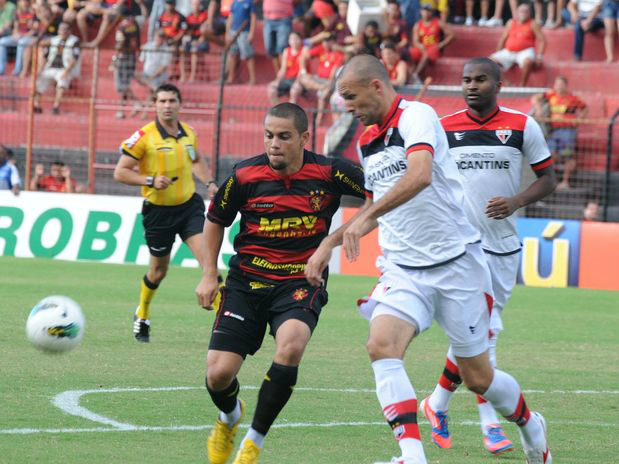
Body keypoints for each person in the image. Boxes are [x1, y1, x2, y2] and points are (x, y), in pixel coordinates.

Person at [305, 54, 552, 464]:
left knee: (479, 378)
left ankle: (530, 424)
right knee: (381, 345)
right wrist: (329, 243)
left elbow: (419, 175)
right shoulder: (367, 141)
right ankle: (412, 455)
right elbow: (372, 207)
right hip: (404, 270)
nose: (345, 105)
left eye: (350, 95)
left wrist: (363, 217)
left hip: (458, 265)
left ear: (377, 87)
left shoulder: (415, 115)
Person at [195, 102, 367, 464]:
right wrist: (209, 274)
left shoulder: (332, 172)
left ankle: (252, 443)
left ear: (305, 137)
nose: (274, 143)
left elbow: (379, 197)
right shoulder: (244, 175)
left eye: (284, 137)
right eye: (269, 135)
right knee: (218, 374)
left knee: (290, 346)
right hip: (246, 281)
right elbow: (215, 220)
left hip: (300, 280)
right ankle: (229, 417)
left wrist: (332, 240)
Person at [420, 57, 556, 457]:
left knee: (473, 334)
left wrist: (516, 200)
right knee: (485, 332)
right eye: (465, 80)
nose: (471, 86)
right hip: (459, 250)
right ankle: (491, 425)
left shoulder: (521, 125)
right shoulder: (444, 129)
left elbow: (548, 177)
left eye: (480, 79)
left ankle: (436, 403)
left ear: (499, 82)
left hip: (502, 249)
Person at [114, 83, 219, 343]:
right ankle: (143, 313)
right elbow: (121, 172)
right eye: (162, 101)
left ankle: (224, 324)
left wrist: (210, 183)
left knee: (209, 264)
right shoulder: (144, 137)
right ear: (155, 105)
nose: (167, 106)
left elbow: (196, 160)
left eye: (172, 101)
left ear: (180, 104)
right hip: (158, 213)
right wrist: (150, 180)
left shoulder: (189, 134)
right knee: (158, 272)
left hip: (189, 208)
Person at [531, 75, 587, 190]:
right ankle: (551, 181)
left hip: (568, 131)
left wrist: (579, 119)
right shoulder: (551, 95)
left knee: (568, 156)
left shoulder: (572, 98)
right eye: (556, 84)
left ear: (566, 86)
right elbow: (535, 98)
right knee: (550, 155)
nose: (558, 87)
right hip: (553, 130)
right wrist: (538, 109)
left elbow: (585, 108)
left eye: (561, 84)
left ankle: (565, 182)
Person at [291, 35, 345, 126]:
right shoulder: (321, 49)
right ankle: (322, 87)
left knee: (323, 95)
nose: (326, 43)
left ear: (333, 42)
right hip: (318, 80)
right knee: (302, 78)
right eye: (324, 41)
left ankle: (318, 121)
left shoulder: (339, 54)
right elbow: (303, 56)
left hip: (330, 81)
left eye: (328, 41)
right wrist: (303, 70)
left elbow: (334, 72)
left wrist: (329, 83)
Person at [490, 3, 546, 86]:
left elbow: (543, 40)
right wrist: (498, 52)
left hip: (526, 51)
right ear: (517, 12)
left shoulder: (533, 24)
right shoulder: (511, 22)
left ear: (529, 13)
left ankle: (523, 85)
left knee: (527, 62)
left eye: (525, 11)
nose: (523, 13)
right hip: (509, 51)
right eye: (521, 11)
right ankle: (506, 83)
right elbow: (503, 38)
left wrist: (539, 56)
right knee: (490, 61)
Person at [33, 21, 81, 115]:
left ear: (69, 31)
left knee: (62, 80)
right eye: (61, 29)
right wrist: (40, 69)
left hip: (65, 69)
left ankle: (56, 106)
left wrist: (66, 72)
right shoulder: (53, 40)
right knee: (39, 79)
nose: (62, 31)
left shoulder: (74, 41)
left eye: (65, 29)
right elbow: (45, 56)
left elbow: (75, 58)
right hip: (50, 67)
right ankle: (36, 105)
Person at [134, 29, 173, 118]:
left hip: (159, 76)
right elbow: (141, 60)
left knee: (154, 89)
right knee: (135, 74)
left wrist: (153, 76)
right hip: (147, 75)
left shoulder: (167, 50)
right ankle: (153, 89)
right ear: (155, 37)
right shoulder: (148, 46)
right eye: (159, 36)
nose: (160, 39)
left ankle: (144, 111)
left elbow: (163, 68)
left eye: (162, 37)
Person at [410, 4, 453, 82]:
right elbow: (415, 41)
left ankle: (415, 75)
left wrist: (441, 45)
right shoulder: (418, 25)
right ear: (421, 12)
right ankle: (411, 75)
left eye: (428, 11)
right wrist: (420, 46)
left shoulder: (438, 22)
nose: (426, 13)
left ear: (432, 12)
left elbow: (452, 35)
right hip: (422, 48)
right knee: (413, 52)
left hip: (433, 48)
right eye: (424, 11)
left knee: (427, 54)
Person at [112, 4, 141, 119]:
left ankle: (137, 103)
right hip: (132, 56)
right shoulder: (135, 23)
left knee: (121, 85)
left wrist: (116, 56)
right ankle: (121, 110)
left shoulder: (122, 26)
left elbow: (120, 43)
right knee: (125, 84)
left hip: (123, 56)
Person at [267, 30, 305, 104]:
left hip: (300, 80)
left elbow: (302, 70)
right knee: (271, 89)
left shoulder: (304, 50)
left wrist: (297, 82)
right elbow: (283, 69)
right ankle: (280, 112)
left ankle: (290, 113)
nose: (294, 41)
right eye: (292, 39)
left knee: (294, 91)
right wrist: (277, 80)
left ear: (300, 40)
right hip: (288, 79)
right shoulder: (286, 51)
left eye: (296, 39)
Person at [0, 0, 36, 76]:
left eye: (25, 1)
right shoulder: (17, 13)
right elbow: (15, 27)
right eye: (22, 1)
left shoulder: (33, 13)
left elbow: (34, 30)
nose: (24, 3)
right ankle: (1, 69)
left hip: (28, 36)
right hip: (19, 36)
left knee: (21, 43)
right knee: (2, 41)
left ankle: (17, 70)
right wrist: (15, 34)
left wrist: (24, 35)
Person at [226, 0, 257, 84]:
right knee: (232, 54)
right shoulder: (234, 2)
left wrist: (251, 32)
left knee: (248, 55)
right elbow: (230, 17)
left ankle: (253, 79)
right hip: (233, 32)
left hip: (244, 32)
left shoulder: (249, 2)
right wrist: (228, 32)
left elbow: (253, 18)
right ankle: (230, 78)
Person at [180, 0, 209, 82]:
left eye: (197, 4)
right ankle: (183, 75)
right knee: (182, 49)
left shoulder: (205, 15)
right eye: (194, 4)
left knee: (194, 50)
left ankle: (192, 76)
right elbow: (186, 32)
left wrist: (199, 41)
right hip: (192, 40)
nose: (196, 6)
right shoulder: (189, 17)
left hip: (203, 41)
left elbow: (206, 31)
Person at [262, 0, 294, 73]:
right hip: (268, 19)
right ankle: (279, 75)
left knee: (282, 48)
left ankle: (285, 75)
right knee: (270, 48)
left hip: (284, 18)